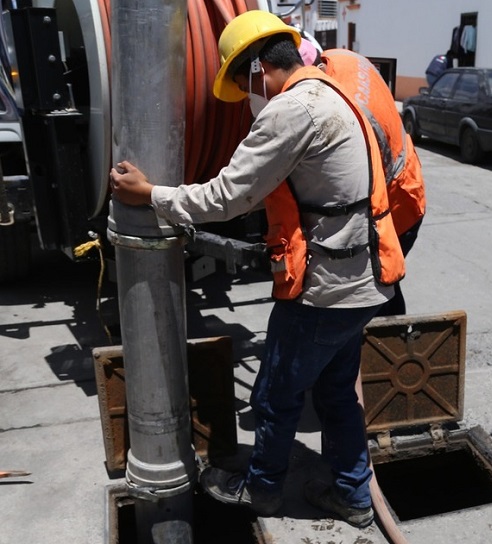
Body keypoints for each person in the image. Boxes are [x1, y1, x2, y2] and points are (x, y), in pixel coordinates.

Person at [109, 10, 405, 528]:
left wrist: (150, 195)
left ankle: (262, 491)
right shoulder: (331, 91)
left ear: (258, 70)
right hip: (365, 282)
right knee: (336, 394)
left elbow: (230, 194)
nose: (248, 99)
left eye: (242, 83)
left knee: (275, 394)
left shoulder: (293, 109)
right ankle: (356, 498)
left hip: (325, 292)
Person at [301, 42, 427, 317]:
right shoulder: (341, 57)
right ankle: (389, 346)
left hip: (396, 208)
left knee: (376, 288)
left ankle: (386, 351)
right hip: (409, 185)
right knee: (386, 284)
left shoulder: (346, 112)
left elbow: (349, 185)